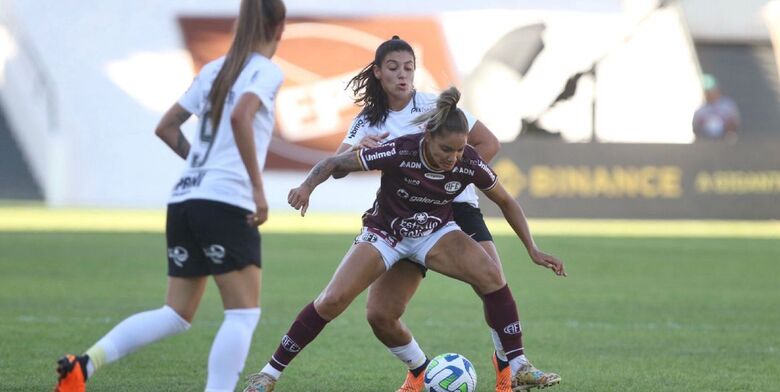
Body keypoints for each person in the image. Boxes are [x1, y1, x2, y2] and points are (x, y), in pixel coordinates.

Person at [244, 87, 565, 392]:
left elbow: (506, 201)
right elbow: (333, 163)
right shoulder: (400, 150)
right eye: (445, 149)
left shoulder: (467, 160)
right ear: (427, 137)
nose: (453, 157)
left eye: (459, 149)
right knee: (345, 304)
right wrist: (306, 187)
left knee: (493, 277)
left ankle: (518, 365)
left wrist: (532, 249)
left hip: (435, 233)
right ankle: (269, 374)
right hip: (386, 234)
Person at [53, 1, 286, 391]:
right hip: (225, 201)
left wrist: (200, 164)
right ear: (279, 27)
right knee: (243, 313)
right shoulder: (265, 70)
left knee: (176, 314)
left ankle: (85, 365)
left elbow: (167, 126)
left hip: (185, 198)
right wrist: (258, 190)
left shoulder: (213, 70)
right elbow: (240, 116)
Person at [336, 35, 539, 392]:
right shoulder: (368, 120)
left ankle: (509, 372)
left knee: (491, 280)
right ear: (379, 73)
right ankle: (417, 372)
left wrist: (447, 178)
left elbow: (489, 143)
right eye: (394, 68)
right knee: (382, 311)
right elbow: (338, 164)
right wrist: (355, 149)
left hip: (458, 206)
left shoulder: (435, 107)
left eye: (409, 68)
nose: (402, 75)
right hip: (407, 215)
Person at [692, 74, 740, 142]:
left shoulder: (728, 106)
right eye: (707, 92)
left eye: (711, 91)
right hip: (707, 142)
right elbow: (695, 128)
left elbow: (735, 124)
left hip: (725, 141)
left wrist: (723, 125)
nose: (709, 94)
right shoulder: (700, 110)